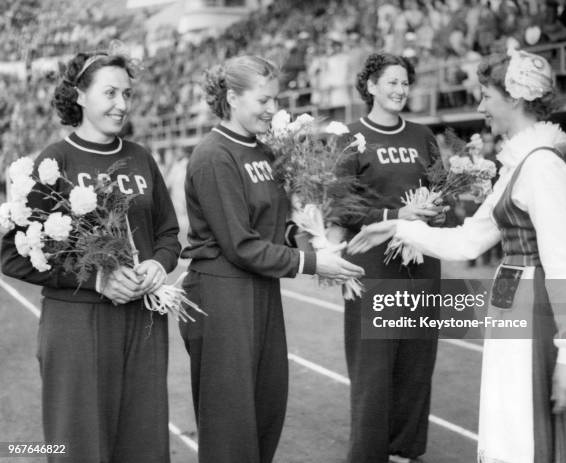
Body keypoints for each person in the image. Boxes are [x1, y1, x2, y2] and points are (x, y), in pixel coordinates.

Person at [347, 49, 566, 463]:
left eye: (486, 95)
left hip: (535, 304)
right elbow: (470, 240)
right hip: (510, 296)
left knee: (524, 425)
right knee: (506, 416)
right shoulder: (518, 164)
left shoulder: (541, 166)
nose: (480, 106)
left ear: (515, 98)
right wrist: (396, 224)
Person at [178, 55, 365, 463]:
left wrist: (317, 236)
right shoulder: (214, 155)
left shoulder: (264, 151)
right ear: (232, 97)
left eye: (275, 101)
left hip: (261, 289)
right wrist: (314, 263)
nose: (271, 109)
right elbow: (240, 245)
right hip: (221, 294)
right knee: (231, 425)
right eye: (263, 100)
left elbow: (277, 228)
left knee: (267, 407)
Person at [1, 51, 181, 463]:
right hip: (77, 324)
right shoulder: (53, 161)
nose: (122, 104)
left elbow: (168, 232)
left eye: (128, 94)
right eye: (111, 92)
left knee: (145, 443)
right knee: (77, 444)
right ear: (80, 95)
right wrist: (95, 279)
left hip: (143, 319)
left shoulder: (140, 157)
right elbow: (10, 253)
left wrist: (159, 263)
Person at [337, 52, 445, 463]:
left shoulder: (423, 136)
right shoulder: (350, 137)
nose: (400, 90)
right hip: (374, 266)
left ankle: (406, 449)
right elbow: (340, 208)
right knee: (374, 369)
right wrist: (395, 216)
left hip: (422, 264)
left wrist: (437, 208)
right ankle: (367, 454)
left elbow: (441, 193)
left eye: (405, 83)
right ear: (371, 86)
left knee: (417, 364)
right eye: (392, 82)